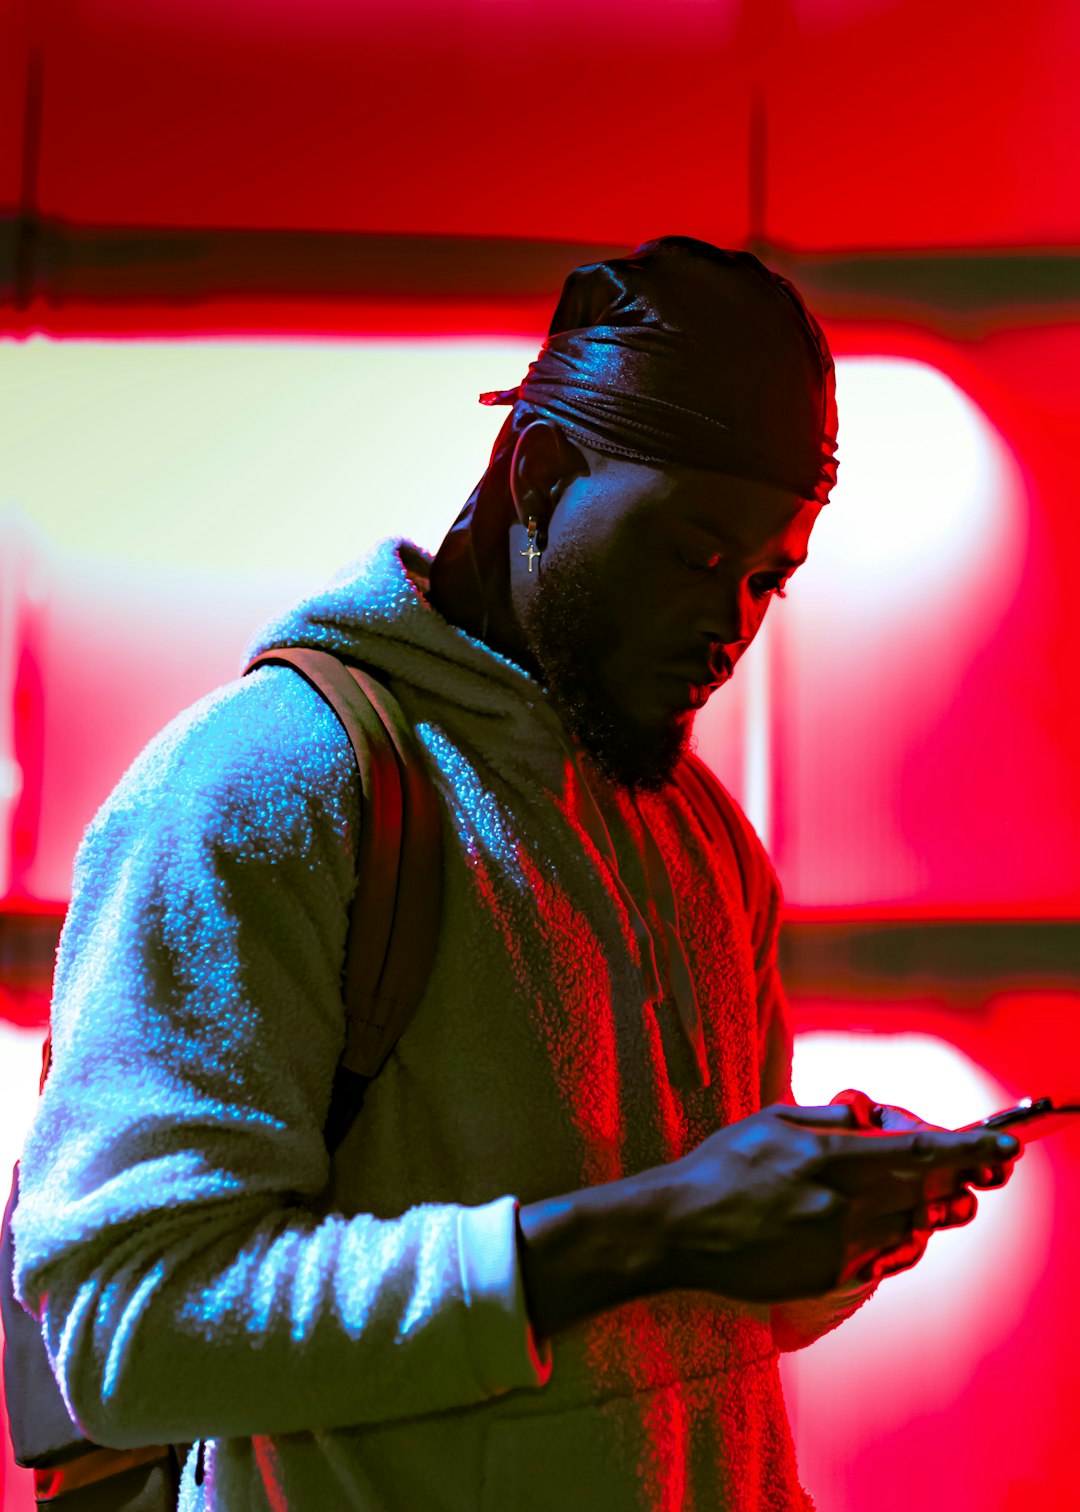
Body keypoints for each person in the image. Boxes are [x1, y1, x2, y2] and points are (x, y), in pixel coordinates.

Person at [11, 237, 1019, 1511]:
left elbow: (678, 1334)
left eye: (770, 577)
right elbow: (123, 1333)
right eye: (693, 554)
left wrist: (822, 1233)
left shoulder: (698, 832)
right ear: (539, 475)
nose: (733, 622)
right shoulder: (264, 785)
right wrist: (656, 1226)